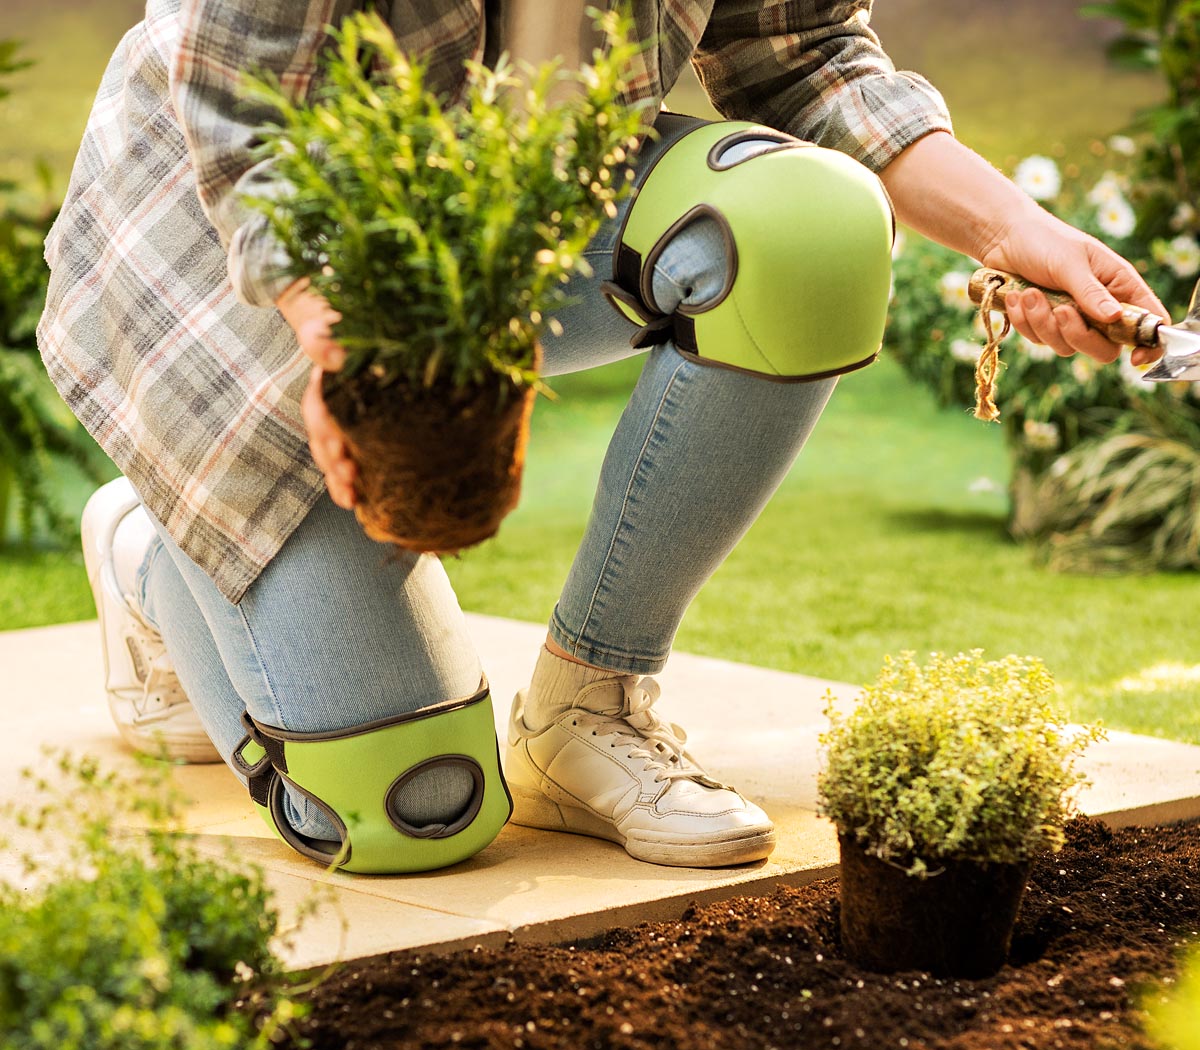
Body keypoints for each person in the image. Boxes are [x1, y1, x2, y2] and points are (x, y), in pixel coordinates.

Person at [40, 0, 1167, 874]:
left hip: (523, 217)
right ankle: (151, 543)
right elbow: (249, 121)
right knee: (412, 814)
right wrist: (347, 344)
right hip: (236, 250)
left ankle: (588, 706)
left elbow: (807, 51)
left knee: (810, 224)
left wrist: (1026, 235)